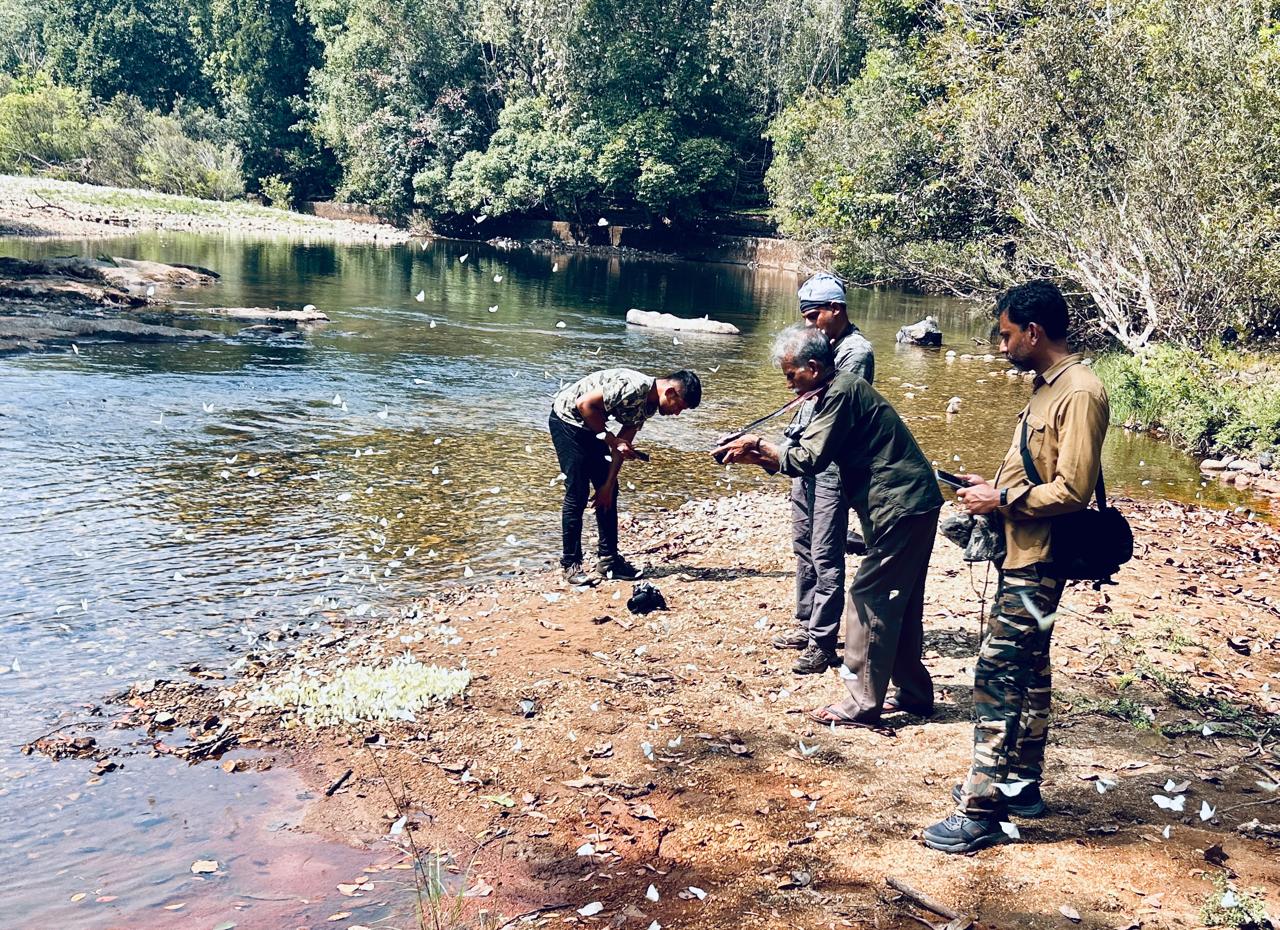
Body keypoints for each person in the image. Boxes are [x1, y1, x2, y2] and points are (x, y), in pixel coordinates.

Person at [923, 280, 1109, 854]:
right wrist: (991, 487)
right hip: (1024, 552)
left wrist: (1001, 501)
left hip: (1040, 559)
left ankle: (980, 809)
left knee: (998, 676)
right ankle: (1020, 787)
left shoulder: (1079, 391)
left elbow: (1074, 489)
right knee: (1029, 673)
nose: (1002, 346)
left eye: (1006, 335)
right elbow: (1040, 470)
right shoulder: (1047, 388)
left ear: (1033, 331)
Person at [715, 325, 942, 726]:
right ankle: (914, 694)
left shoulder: (842, 391)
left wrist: (761, 446)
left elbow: (810, 457)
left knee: (868, 598)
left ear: (814, 367)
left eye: (791, 376)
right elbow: (804, 457)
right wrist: (759, 456)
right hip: (910, 504)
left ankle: (862, 704)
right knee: (899, 602)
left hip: (901, 505)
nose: (789, 385)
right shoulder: (838, 389)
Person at [773, 273, 875, 674]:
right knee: (802, 540)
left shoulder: (855, 352)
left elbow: (834, 412)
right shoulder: (821, 345)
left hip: (831, 461)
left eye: (815, 316)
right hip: (805, 453)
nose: (811, 325)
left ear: (837, 309)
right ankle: (807, 621)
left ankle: (823, 640)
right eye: (806, 318)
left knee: (825, 550)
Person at [550, 367, 701, 585]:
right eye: (679, 407)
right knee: (578, 492)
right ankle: (571, 564)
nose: (677, 413)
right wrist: (613, 441)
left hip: (593, 426)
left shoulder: (648, 407)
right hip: (568, 420)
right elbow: (584, 404)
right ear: (670, 392)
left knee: (608, 492)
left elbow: (622, 446)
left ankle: (609, 561)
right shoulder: (633, 386)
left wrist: (608, 485)